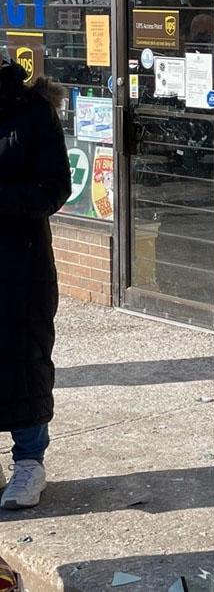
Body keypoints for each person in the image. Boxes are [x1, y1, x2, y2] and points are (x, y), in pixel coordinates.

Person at [0, 59, 71, 509]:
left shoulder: (30, 110)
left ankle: (29, 463)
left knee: (23, 358)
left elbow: (55, 187)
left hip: (18, 265)